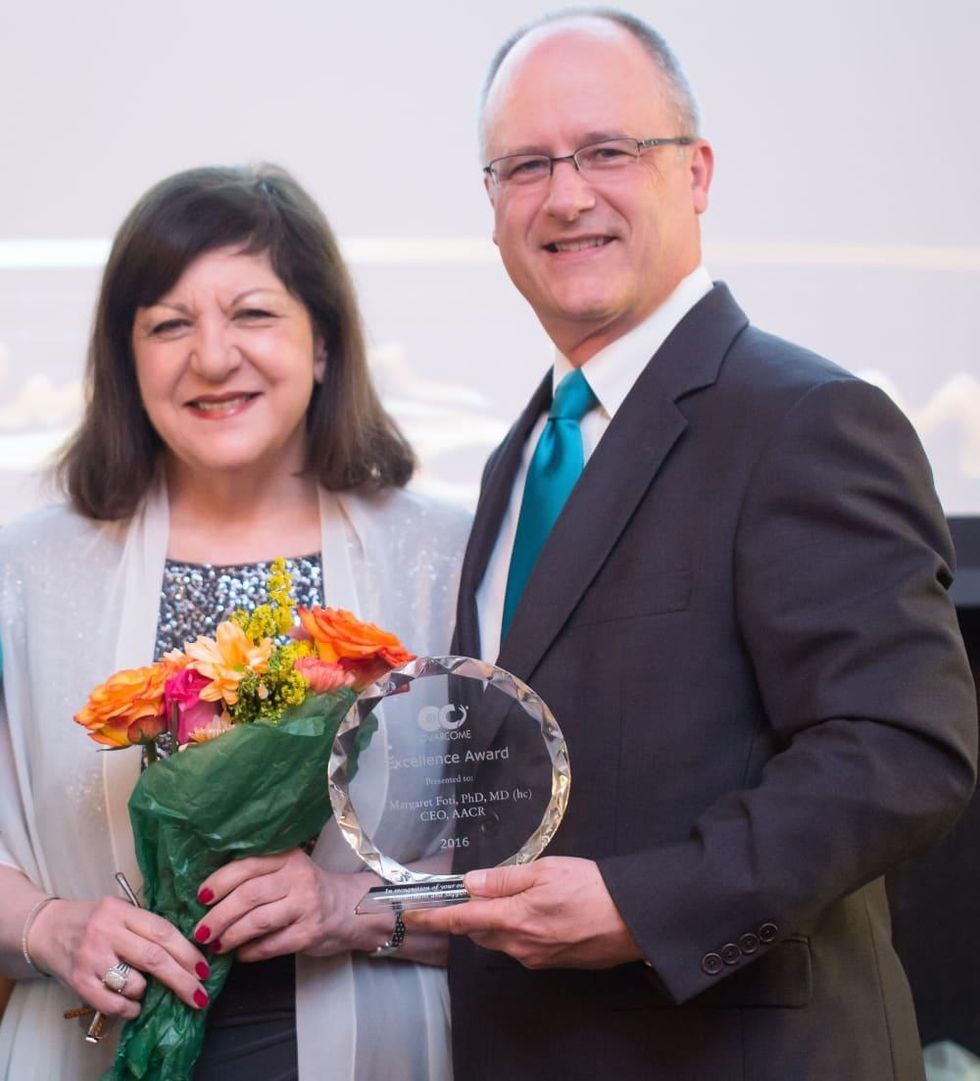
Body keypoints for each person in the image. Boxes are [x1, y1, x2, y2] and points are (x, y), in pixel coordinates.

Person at [406, 10, 978, 1081]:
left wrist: (642, 906)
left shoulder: (807, 419)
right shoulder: (516, 458)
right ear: (491, 205)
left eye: (607, 150)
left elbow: (901, 749)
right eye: (525, 165)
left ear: (697, 172)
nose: (566, 195)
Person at [0, 164, 469, 1081]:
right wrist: (48, 925)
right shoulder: (25, 570)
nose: (212, 358)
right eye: (169, 324)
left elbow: (527, 868)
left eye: (252, 313)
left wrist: (350, 906)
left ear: (323, 343)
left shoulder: (445, 556)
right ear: (126, 359)